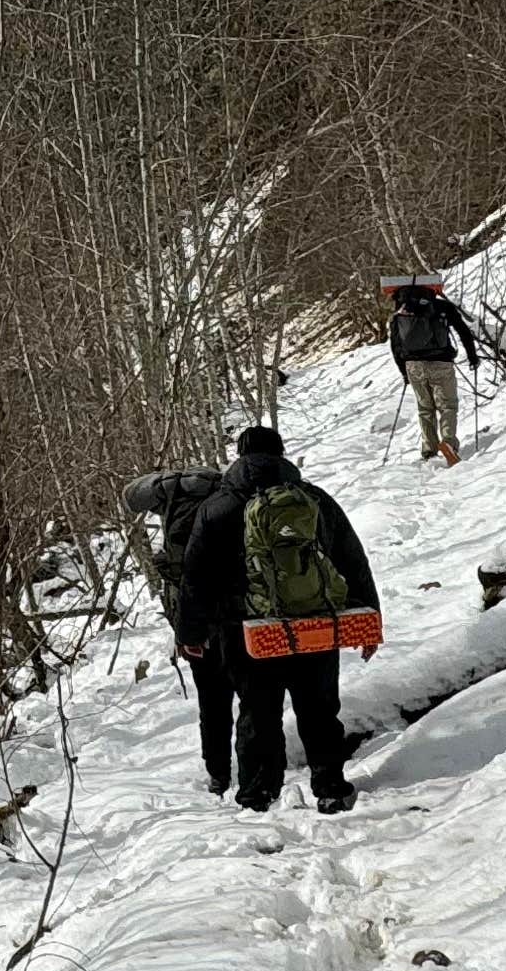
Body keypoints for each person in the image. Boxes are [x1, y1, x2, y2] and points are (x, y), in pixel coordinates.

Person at [179, 423, 381, 813]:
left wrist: (193, 631)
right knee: (320, 709)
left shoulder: (217, 507)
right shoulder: (314, 500)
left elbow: (196, 575)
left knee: (258, 712)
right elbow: (353, 560)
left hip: (247, 632)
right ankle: (331, 788)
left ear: (238, 457)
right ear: (282, 454)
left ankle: (258, 796)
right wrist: (370, 619)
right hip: (314, 625)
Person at [121, 462, 236, 792]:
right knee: (252, 697)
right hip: (233, 616)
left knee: (212, 702)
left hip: (191, 620)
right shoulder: (229, 495)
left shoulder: (169, 496)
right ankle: (259, 765)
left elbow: (129, 497)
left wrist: (164, 483)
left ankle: (218, 773)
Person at [388, 275, 478, 465]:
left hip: (413, 365)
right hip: (441, 362)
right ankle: (448, 444)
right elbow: (463, 331)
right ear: (432, 289)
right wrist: (472, 356)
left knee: (425, 408)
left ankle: (429, 449)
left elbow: (396, 346)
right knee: (447, 406)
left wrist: (404, 372)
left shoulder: (399, 313)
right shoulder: (442, 307)